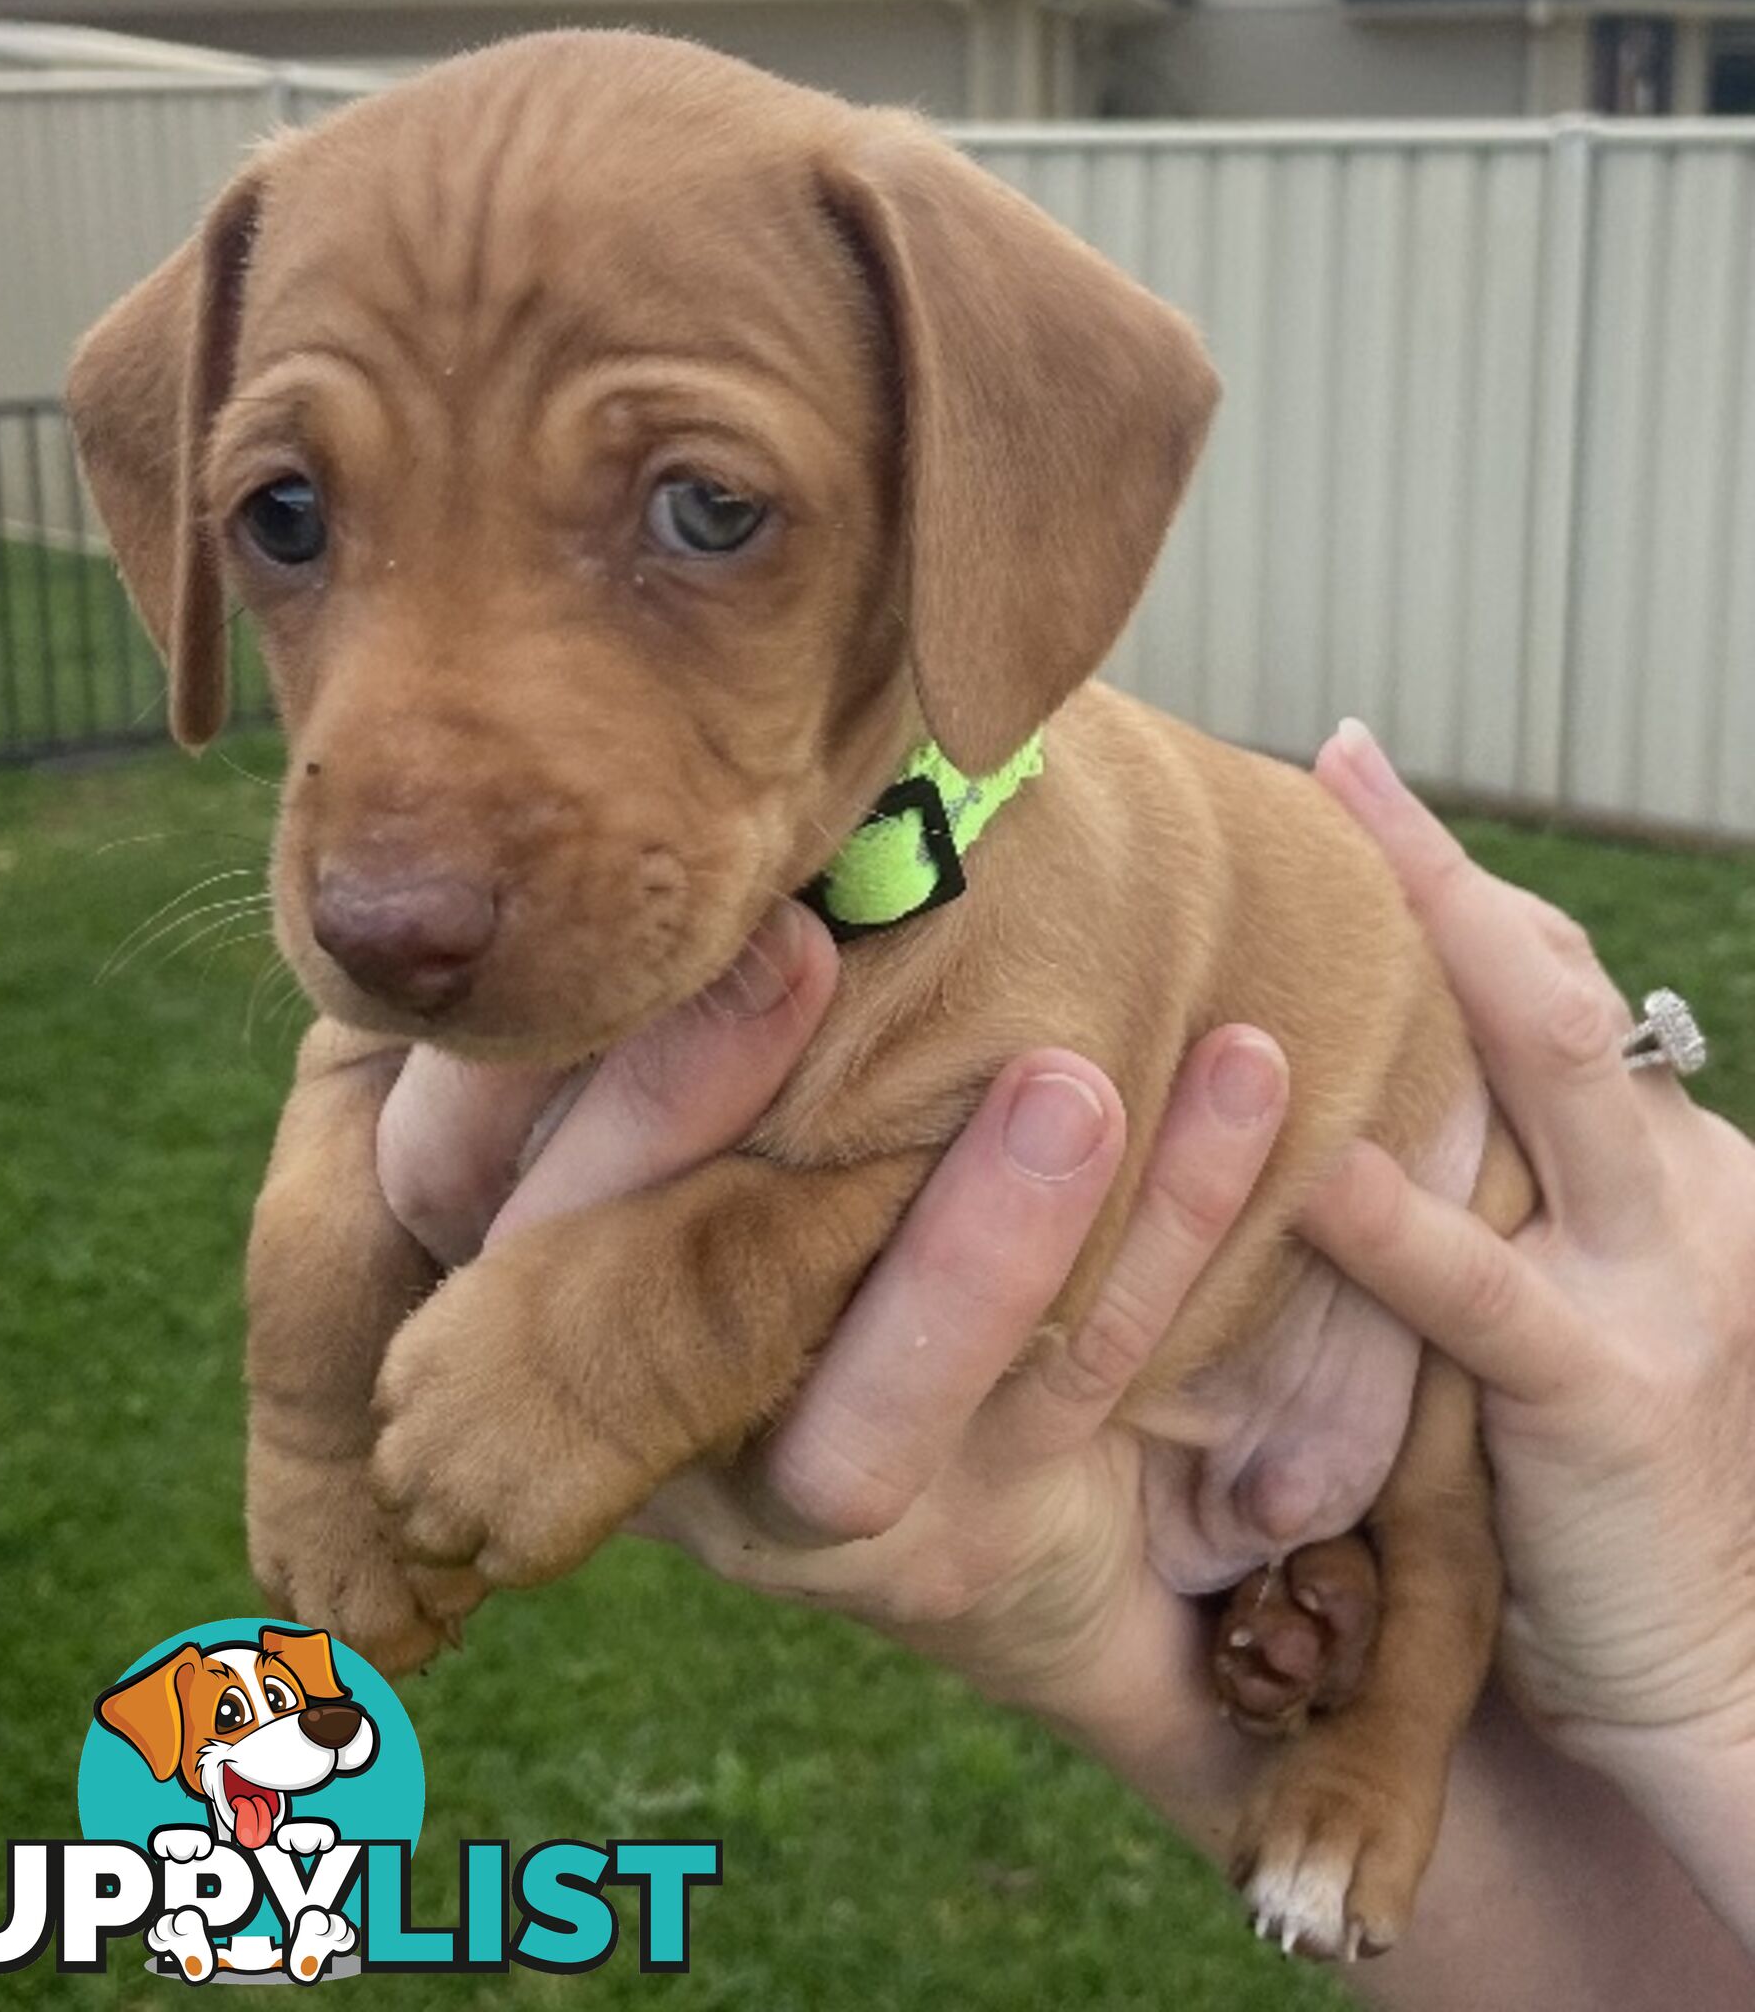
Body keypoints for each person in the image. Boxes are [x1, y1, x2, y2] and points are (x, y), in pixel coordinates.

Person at [376, 720, 1755, 2007]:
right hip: (1208, 1356)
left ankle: (1382, 1707)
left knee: (1453, 1356)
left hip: (1386, 1302)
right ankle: (1330, 1602)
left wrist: (1716, 1675)